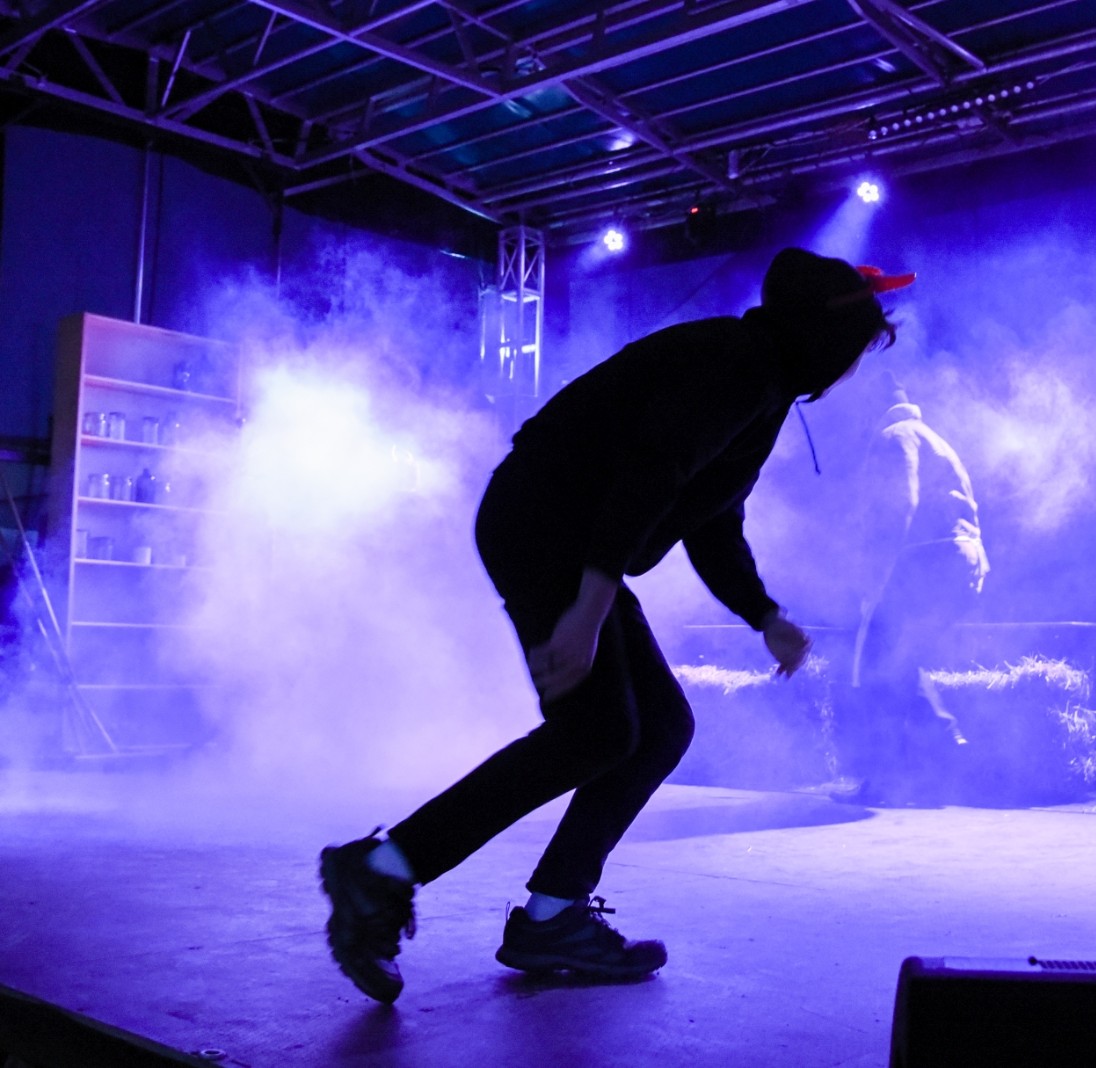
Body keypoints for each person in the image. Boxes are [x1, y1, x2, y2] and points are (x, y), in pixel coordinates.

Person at [317, 248, 912, 1003]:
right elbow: (649, 473)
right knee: (593, 732)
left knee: (658, 728)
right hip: (545, 525)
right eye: (858, 346)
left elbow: (710, 520)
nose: (855, 367)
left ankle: (551, 915)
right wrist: (587, 611)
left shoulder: (759, 384)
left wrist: (763, 615)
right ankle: (381, 872)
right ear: (825, 338)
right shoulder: (736, 366)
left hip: (570, 536)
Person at [834, 377, 989, 806]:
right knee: (901, 661)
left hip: (928, 563)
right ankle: (947, 743)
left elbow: (902, 503)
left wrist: (876, 576)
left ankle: (886, 778)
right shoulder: (932, 436)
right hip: (961, 563)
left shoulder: (894, 436)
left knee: (878, 664)